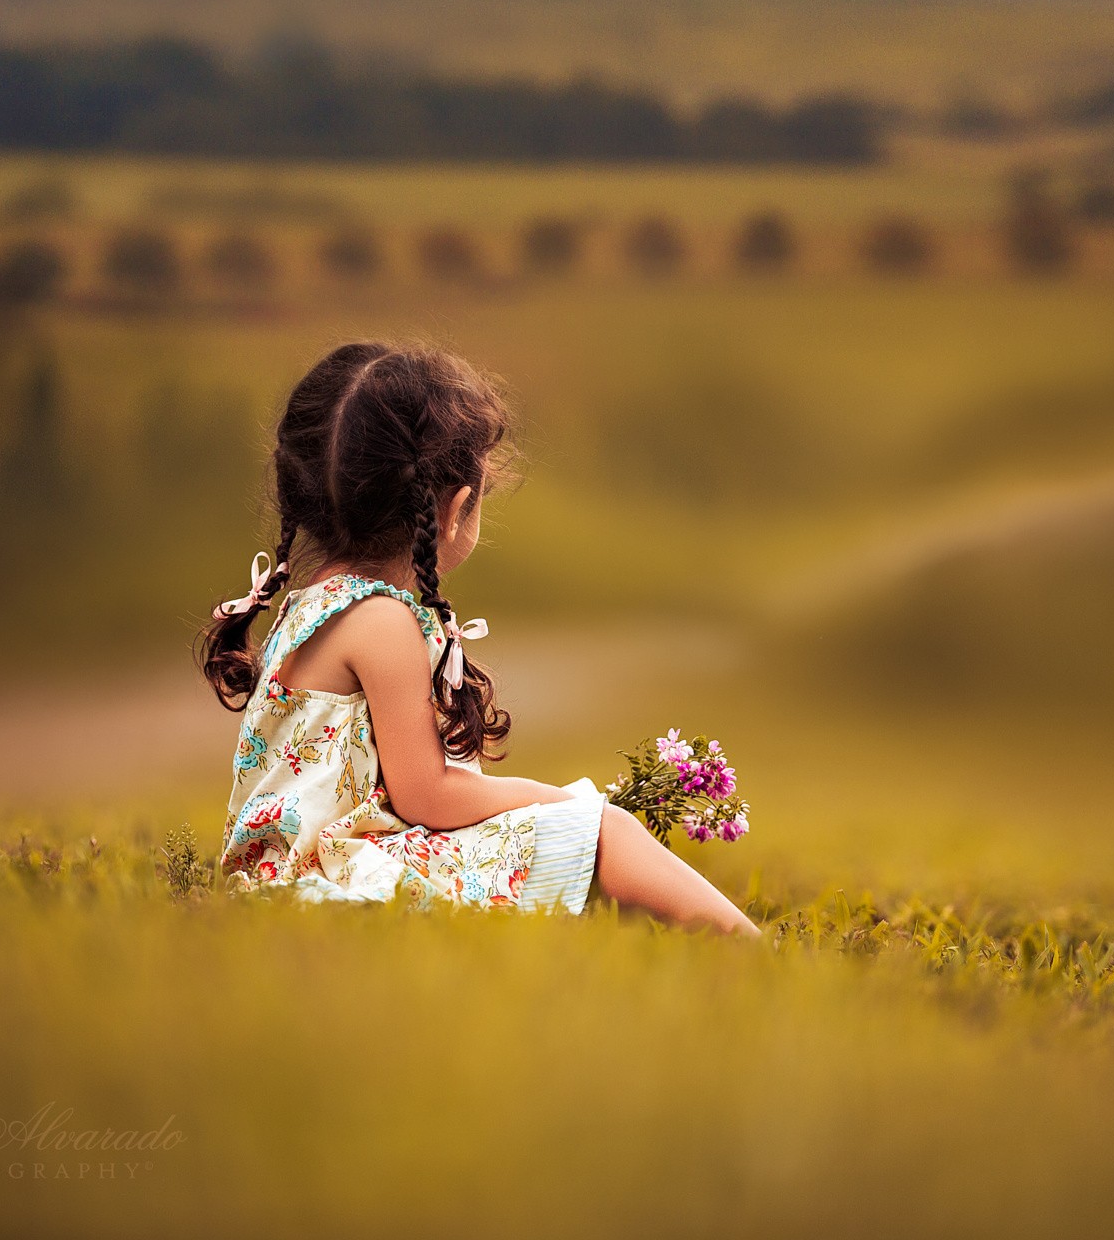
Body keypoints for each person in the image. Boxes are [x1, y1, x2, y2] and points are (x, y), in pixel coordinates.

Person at [200, 340, 757, 934]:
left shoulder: (309, 605)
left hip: (288, 873)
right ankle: (757, 955)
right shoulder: (382, 622)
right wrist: (564, 802)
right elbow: (424, 796)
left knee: (567, 844)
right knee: (605, 831)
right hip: (334, 879)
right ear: (456, 508)